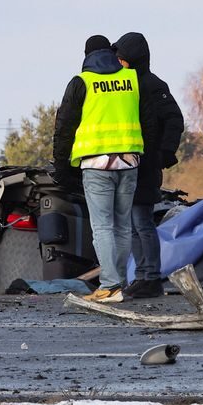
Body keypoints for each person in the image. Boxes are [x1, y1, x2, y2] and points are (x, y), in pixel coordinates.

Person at [53, 34, 143, 303]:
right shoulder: (131, 79)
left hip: (96, 164)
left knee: (102, 227)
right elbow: (146, 119)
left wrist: (61, 165)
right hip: (130, 161)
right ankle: (119, 284)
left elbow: (64, 126)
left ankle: (110, 285)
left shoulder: (82, 82)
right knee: (123, 225)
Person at [113, 31, 184, 300]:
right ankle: (143, 276)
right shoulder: (126, 85)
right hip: (129, 164)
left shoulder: (152, 85)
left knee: (141, 222)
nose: (118, 63)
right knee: (133, 224)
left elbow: (174, 119)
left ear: (131, 60)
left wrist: (164, 153)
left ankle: (150, 277)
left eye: (121, 58)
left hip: (145, 164)